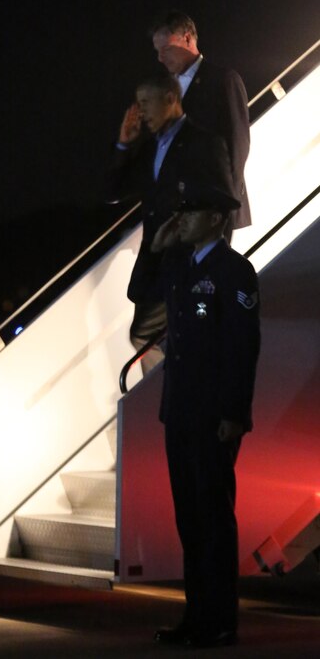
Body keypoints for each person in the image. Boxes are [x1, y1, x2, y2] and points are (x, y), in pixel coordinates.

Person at [151, 182, 260, 648]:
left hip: (213, 414)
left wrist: (234, 411)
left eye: (192, 213)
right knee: (189, 519)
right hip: (179, 411)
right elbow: (143, 292)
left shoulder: (234, 271)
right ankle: (196, 616)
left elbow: (242, 345)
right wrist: (157, 246)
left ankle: (220, 619)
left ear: (217, 218)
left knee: (213, 517)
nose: (183, 220)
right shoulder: (180, 265)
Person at [105, 70, 233, 373]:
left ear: (171, 98)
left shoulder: (205, 143)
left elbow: (222, 203)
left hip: (185, 263)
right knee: (154, 339)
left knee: (148, 336)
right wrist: (124, 144)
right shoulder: (149, 148)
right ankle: (172, 397)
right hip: (155, 265)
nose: (141, 111)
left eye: (146, 102)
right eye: (138, 103)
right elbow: (111, 192)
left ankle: (173, 396)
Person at [151, 11, 251, 235]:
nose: (160, 58)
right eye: (157, 52)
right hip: (175, 211)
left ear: (188, 38)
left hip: (210, 211)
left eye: (166, 49)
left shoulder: (223, 80)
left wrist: (224, 206)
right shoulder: (165, 88)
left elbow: (238, 145)